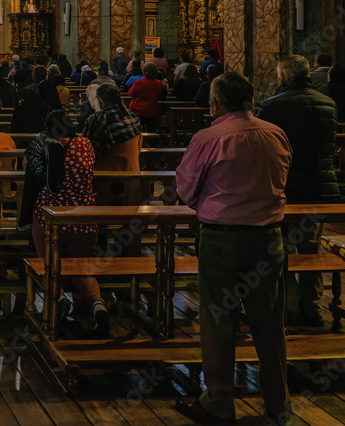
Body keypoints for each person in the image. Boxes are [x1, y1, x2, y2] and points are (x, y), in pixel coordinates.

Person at [175, 72, 292, 426]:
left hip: (222, 238)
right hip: (268, 238)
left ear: (216, 102)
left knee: (218, 318)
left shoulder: (209, 138)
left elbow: (184, 188)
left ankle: (219, 402)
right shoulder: (275, 133)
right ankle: (278, 404)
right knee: (270, 323)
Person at [257, 55, 339, 327]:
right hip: (319, 186)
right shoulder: (328, 104)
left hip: (287, 185)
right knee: (311, 248)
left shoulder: (272, 105)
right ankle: (313, 308)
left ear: (283, 76)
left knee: (283, 250)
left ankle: (290, 306)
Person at [30, 111, 110, 334]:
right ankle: (97, 304)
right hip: (83, 215)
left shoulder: (45, 145)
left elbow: (34, 175)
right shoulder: (85, 144)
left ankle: (60, 298)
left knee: (48, 264)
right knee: (82, 268)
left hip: (49, 215)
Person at [82, 83, 142, 191]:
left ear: (101, 101)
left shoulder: (97, 119)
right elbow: (138, 148)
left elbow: (88, 152)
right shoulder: (133, 118)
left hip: (106, 181)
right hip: (132, 176)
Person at [128, 62, 163, 131]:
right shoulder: (158, 83)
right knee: (152, 130)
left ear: (144, 72)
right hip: (152, 111)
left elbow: (131, 93)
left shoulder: (139, 82)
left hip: (137, 110)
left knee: (138, 130)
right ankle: (152, 141)